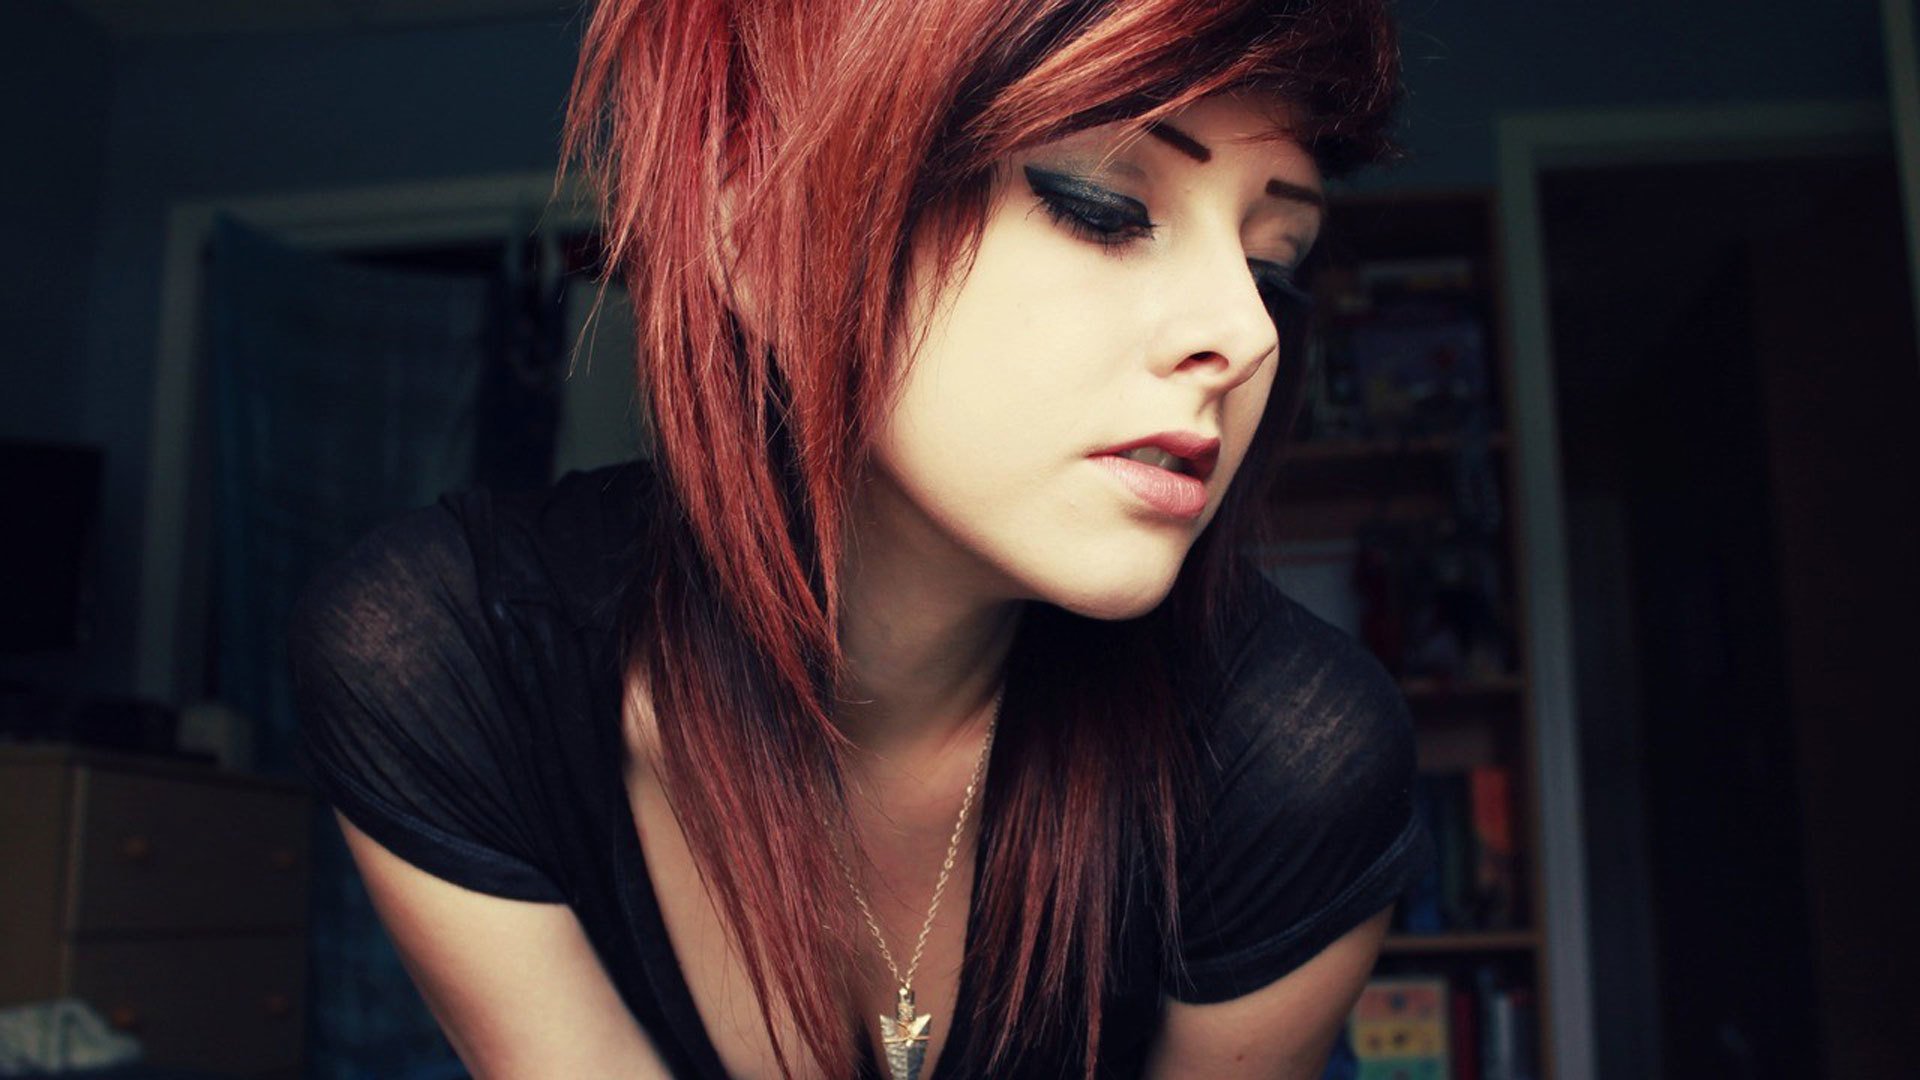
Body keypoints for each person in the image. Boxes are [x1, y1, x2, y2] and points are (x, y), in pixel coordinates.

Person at [290, 0, 1433, 1077]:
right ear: (759, 228)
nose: (1245, 330)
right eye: (1101, 204)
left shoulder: (1292, 763)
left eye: (1272, 262)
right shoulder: (440, 664)